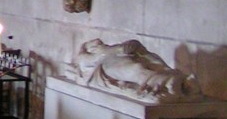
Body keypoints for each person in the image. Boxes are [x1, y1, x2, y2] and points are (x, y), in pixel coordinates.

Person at [69, 38, 201, 101]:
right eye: (93, 45)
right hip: (104, 67)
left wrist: (134, 46)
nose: (98, 43)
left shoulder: (103, 49)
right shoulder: (83, 59)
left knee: (149, 63)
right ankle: (164, 83)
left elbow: (144, 53)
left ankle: (169, 78)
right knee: (135, 69)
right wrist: (116, 49)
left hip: (121, 57)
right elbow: (97, 55)